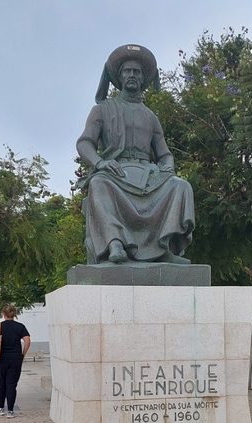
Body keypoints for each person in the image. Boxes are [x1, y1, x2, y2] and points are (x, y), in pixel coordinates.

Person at [77, 44, 195, 265]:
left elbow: (164, 154)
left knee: (181, 186)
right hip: (115, 173)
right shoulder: (102, 110)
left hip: (148, 175)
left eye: (137, 72)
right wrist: (100, 163)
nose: (132, 75)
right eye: (127, 71)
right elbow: (85, 143)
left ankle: (164, 247)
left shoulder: (150, 116)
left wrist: (167, 167)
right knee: (98, 183)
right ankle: (115, 244)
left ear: (143, 79)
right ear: (120, 77)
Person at [0, 305, 31, 418]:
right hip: (15, 359)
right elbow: (27, 341)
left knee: (0, 383)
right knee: (11, 385)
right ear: (14, 314)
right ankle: (11, 411)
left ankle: (1, 408)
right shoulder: (20, 327)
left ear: (4, 314)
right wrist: (23, 354)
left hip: (0, 360)